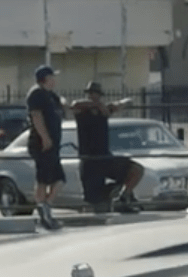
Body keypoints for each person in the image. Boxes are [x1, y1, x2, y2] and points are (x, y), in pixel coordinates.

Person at [71, 81, 143, 213]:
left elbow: (125, 102)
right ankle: (110, 194)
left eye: (96, 94)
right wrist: (97, 105)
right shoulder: (82, 111)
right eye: (91, 93)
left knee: (136, 169)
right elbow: (74, 104)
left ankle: (124, 196)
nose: (93, 96)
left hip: (104, 157)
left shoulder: (104, 110)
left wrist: (117, 105)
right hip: (89, 161)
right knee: (95, 203)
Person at [26, 65, 65, 230]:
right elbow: (36, 116)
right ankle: (43, 211)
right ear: (45, 79)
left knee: (58, 179)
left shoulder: (51, 96)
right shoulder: (37, 94)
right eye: (51, 77)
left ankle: (45, 207)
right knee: (43, 179)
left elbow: (62, 106)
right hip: (42, 143)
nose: (54, 80)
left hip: (54, 144)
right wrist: (45, 137)